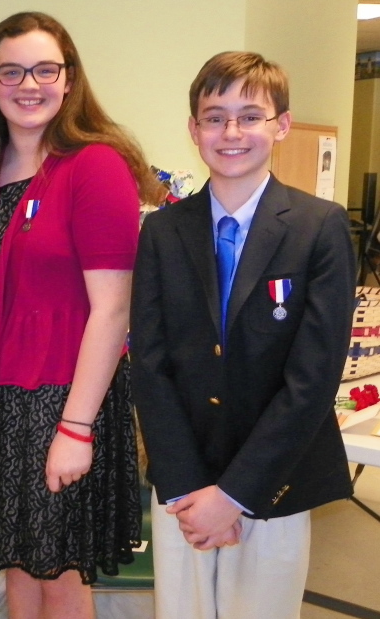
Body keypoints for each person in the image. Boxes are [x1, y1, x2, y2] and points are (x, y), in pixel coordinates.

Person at [0, 12, 163, 618]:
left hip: (64, 399)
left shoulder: (94, 166)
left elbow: (112, 308)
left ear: (69, 80)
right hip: (0, 400)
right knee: (18, 568)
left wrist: (75, 428)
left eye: (45, 69)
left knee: (60, 575)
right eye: (12, 71)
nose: (29, 84)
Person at [131, 51, 356, 619]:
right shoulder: (162, 231)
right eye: (215, 116)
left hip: (274, 479)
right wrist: (188, 490)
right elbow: (151, 365)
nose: (232, 132)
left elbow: (311, 380)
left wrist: (232, 497)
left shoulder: (319, 227)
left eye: (250, 116)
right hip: (183, 480)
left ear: (281, 124)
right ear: (193, 129)